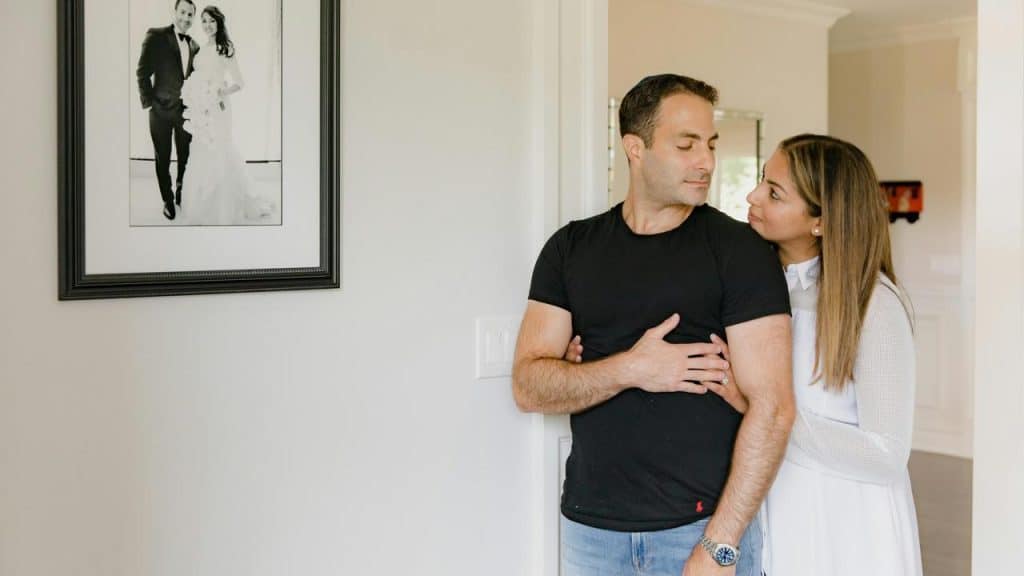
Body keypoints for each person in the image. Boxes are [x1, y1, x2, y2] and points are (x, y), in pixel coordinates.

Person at [569, 134, 922, 575]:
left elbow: (885, 455)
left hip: (842, 518)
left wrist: (765, 410)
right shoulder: (751, 287)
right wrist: (590, 354)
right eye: (761, 181)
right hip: (767, 503)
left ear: (821, 222)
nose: (752, 197)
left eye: (774, 193)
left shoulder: (875, 305)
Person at [512, 74, 796, 576]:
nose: (705, 160)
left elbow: (773, 411)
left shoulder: (741, 253)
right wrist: (631, 369)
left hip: (701, 533)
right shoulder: (570, 249)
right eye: (686, 145)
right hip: (591, 533)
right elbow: (530, 387)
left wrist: (721, 546)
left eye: (710, 144)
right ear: (634, 148)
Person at [180, 5, 272, 225]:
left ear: (219, 23)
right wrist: (195, 97)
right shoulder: (201, 49)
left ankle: (222, 206)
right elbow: (197, 78)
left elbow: (240, 82)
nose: (207, 25)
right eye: (203, 21)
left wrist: (222, 92)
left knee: (220, 149)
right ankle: (200, 204)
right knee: (201, 149)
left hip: (219, 108)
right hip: (202, 110)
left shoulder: (225, 47)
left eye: (211, 21)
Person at [137, 0, 199, 221]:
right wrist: (150, 104)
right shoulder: (156, 36)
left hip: (186, 114)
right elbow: (142, 73)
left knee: (186, 157)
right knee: (162, 158)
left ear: (193, 18)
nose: (186, 18)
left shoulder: (194, 46)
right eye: (182, 12)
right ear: (175, 12)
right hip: (160, 112)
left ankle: (182, 191)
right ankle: (168, 199)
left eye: (190, 15)